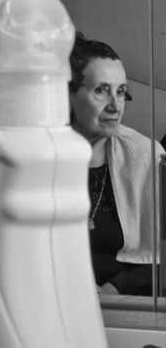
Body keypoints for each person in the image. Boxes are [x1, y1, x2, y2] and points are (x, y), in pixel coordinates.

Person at [69, 31, 160, 296]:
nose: (115, 105)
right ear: (67, 95)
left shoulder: (147, 155)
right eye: (101, 90)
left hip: (124, 303)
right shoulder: (33, 158)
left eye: (120, 92)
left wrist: (115, 289)